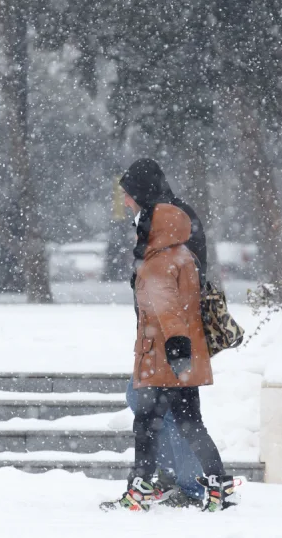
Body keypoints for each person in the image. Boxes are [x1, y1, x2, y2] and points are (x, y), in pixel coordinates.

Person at [101, 159, 238, 513]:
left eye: (130, 198)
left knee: (152, 421)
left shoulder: (160, 254)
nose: (128, 207)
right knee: (178, 420)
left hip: (164, 350)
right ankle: (206, 483)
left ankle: (173, 484)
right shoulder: (175, 241)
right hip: (173, 349)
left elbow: (169, 305)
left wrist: (176, 347)